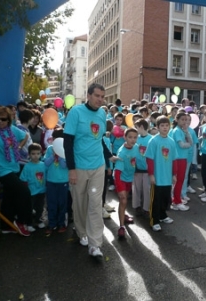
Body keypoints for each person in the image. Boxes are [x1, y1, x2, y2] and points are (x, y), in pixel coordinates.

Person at [63, 83, 117, 258]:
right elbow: (68, 142)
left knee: (95, 204)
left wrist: (109, 155)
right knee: (79, 203)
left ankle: (95, 244)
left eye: (103, 96)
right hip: (79, 167)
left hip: (98, 166)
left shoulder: (102, 113)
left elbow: (99, 139)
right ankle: (81, 232)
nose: (100, 100)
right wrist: (71, 169)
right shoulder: (76, 113)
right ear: (88, 95)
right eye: (97, 96)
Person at [0, 106, 32, 236]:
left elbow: (25, 136)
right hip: (2, 170)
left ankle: (6, 226)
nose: (0, 121)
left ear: (8, 120)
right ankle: (21, 221)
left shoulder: (12, 129)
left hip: (14, 166)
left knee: (9, 197)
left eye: (3, 119)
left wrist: (19, 147)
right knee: (23, 191)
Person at [146, 116, 178, 232]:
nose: (165, 128)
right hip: (157, 177)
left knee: (166, 198)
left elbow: (174, 159)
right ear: (157, 127)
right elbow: (149, 159)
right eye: (162, 126)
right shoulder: (153, 141)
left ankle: (163, 215)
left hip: (167, 177)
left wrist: (174, 174)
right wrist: (151, 174)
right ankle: (154, 220)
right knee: (156, 199)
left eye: (166, 125)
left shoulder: (171, 141)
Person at [114, 128, 139, 238]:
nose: (133, 140)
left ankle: (123, 215)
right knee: (123, 199)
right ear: (125, 137)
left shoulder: (136, 148)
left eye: (135, 137)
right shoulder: (122, 152)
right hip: (121, 179)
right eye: (130, 137)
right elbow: (118, 173)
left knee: (126, 199)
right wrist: (119, 188)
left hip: (129, 178)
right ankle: (121, 227)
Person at [44, 128, 69, 234]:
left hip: (63, 181)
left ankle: (61, 223)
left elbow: (64, 166)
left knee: (62, 203)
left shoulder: (67, 149)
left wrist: (60, 156)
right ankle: (52, 224)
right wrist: (53, 155)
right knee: (52, 203)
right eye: (55, 138)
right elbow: (46, 163)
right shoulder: (50, 149)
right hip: (51, 181)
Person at [20, 143, 46, 232]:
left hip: (42, 191)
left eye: (38, 153)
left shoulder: (44, 165)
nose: (36, 156)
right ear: (29, 154)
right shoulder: (27, 166)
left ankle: (38, 221)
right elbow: (23, 179)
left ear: (41, 154)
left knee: (40, 207)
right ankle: (29, 223)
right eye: (33, 154)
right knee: (29, 208)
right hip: (31, 192)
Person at [169, 112, 191, 211]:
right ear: (177, 120)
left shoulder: (181, 130)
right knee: (178, 180)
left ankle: (176, 199)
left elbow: (189, 141)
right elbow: (182, 145)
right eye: (182, 119)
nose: (184, 121)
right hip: (178, 159)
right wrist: (189, 144)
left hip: (182, 158)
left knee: (179, 180)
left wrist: (187, 132)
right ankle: (176, 201)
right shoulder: (177, 131)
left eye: (186, 119)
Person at [133, 119, 152, 218]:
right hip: (137, 167)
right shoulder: (136, 138)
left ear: (141, 127)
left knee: (146, 189)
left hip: (147, 169)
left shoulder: (151, 139)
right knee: (136, 188)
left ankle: (146, 208)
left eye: (136, 127)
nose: (135, 129)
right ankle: (137, 206)